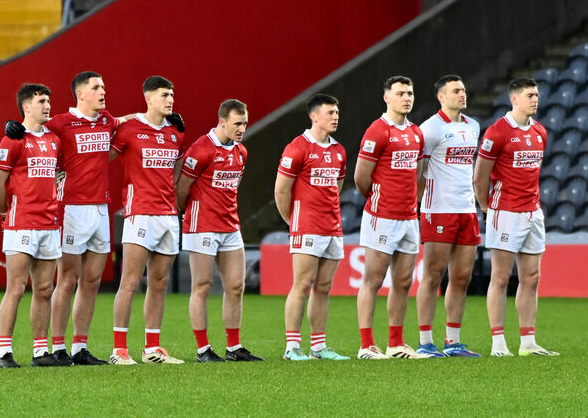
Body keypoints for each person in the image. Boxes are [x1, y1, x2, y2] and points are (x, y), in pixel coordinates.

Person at [473, 77, 557, 357]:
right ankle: (498, 342)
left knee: (531, 277)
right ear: (515, 99)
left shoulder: (540, 132)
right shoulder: (497, 132)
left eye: (537, 95)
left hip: (533, 212)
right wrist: (487, 208)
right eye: (530, 95)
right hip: (505, 212)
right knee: (500, 277)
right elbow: (480, 177)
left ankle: (528, 342)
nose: (536, 99)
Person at [107, 75, 185, 365]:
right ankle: (119, 350)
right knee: (130, 282)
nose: (170, 100)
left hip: (168, 215)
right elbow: (104, 160)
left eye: (172, 95)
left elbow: (175, 168)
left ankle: (152, 348)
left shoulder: (176, 132)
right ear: (148, 98)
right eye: (164, 95)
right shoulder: (129, 130)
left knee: (160, 281)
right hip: (139, 213)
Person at [177, 99, 262, 362]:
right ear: (222, 121)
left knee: (236, 286)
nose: (242, 128)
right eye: (237, 123)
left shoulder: (241, 152)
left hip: (230, 225)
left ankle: (234, 348)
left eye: (245, 123)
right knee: (202, 286)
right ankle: (203, 349)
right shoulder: (201, 150)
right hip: (202, 225)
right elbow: (182, 189)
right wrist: (189, 215)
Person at [354, 76, 427, 359]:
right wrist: (378, 198)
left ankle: (395, 343)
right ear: (387, 98)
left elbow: (418, 174)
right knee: (373, 279)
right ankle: (366, 345)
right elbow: (361, 177)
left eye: (409, 93)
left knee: (403, 282)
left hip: (409, 217)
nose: (406, 98)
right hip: (381, 216)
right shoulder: (377, 131)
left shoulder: (416, 133)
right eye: (400, 93)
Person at [273, 94, 350, 361]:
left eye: (337, 112)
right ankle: (292, 347)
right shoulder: (297, 147)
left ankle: (318, 346)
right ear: (314, 116)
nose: (335, 116)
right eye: (330, 112)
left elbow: (336, 189)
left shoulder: (339, 150)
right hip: (306, 226)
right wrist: (292, 220)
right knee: (302, 284)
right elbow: (281, 191)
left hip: (332, 226)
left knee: (324, 286)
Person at [46, 71, 116, 366]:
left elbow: (126, 121)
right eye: (96, 87)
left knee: (92, 281)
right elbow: (33, 133)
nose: (103, 91)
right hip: (71, 208)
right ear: (81, 94)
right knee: (68, 279)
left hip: (101, 208)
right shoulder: (59, 124)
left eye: (103, 86)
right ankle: (58, 347)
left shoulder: (107, 121)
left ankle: (80, 347)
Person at [0, 84, 64, 368]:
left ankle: (39, 352)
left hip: (49, 223)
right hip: (21, 224)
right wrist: (4, 211)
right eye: (41, 101)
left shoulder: (54, 139)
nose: (47, 105)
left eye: (49, 100)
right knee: (17, 288)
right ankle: (5, 353)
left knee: (44, 288)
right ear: (26, 107)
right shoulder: (13, 139)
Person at [414, 75, 483, 358]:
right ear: (441, 96)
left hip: (466, 210)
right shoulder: (429, 129)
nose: (462, 94)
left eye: (464, 90)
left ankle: (453, 341)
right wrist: (425, 204)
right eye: (456, 91)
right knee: (433, 274)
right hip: (438, 210)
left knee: (462, 276)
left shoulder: (474, 126)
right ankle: (425, 342)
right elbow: (418, 173)